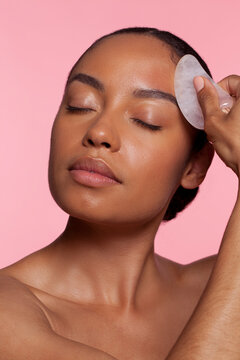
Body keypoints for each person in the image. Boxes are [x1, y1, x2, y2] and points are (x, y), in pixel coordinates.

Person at [0, 26, 240, 359]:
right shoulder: (7, 312)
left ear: (194, 166)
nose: (98, 132)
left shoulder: (217, 285)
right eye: (80, 105)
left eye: (146, 119)